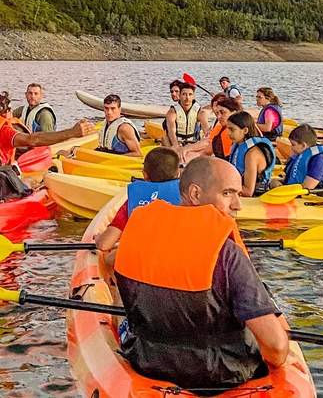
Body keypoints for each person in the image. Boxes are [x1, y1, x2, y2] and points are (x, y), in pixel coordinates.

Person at [112, 156, 301, 391]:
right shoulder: (227, 254)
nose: (237, 206)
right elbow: (274, 349)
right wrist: (284, 351)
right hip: (221, 376)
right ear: (195, 194)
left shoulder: (137, 233)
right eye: (227, 193)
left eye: (238, 195)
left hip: (147, 364)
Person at [0, 91, 92, 189]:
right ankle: (42, 184)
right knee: (31, 181)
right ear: (6, 112)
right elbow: (33, 140)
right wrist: (72, 132)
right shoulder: (3, 130)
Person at [94, 147, 181, 252]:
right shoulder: (187, 200)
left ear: (145, 175)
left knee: (110, 258)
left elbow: (104, 244)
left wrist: (98, 238)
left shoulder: (133, 201)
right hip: (174, 256)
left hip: (142, 259)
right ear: (178, 174)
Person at [225, 111, 276, 197]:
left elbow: (248, 191)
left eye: (232, 129)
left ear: (245, 130)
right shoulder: (238, 146)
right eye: (228, 129)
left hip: (255, 195)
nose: (228, 133)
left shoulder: (252, 154)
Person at [277, 124, 323, 190]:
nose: (291, 148)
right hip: (295, 192)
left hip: (315, 197)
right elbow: (291, 179)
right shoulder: (299, 156)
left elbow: (307, 188)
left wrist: (282, 189)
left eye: (293, 145)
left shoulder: (319, 161)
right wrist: (277, 181)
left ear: (303, 145)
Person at [164, 82, 205, 151]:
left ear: (193, 96)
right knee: (165, 137)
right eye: (184, 94)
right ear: (179, 95)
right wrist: (176, 145)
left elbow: (206, 129)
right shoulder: (172, 112)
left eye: (190, 94)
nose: (187, 98)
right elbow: (171, 131)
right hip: (177, 143)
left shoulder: (200, 112)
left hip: (193, 143)